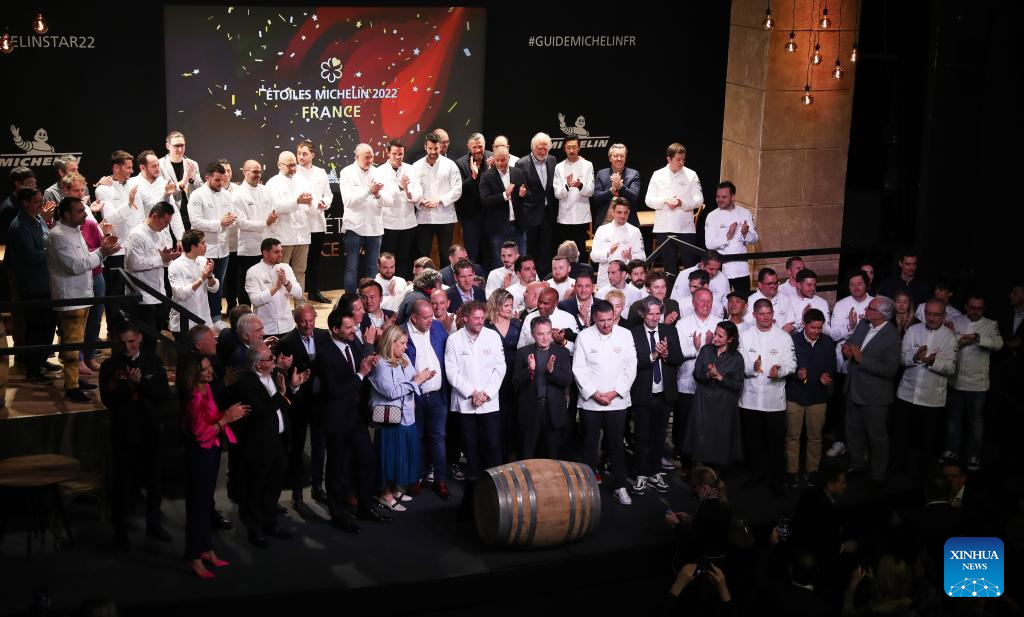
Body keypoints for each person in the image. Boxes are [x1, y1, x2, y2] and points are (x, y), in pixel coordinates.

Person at [317, 309, 392, 530]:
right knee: (336, 469)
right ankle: (338, 515)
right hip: (336, 420)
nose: (353, 331)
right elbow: (334, 391)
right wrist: (361, 374)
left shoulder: (353, 345)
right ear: (335, 329)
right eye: (348, 328)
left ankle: (365, 507)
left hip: (356, 417)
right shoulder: (325, 355)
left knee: (367, 460)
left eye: (354, 326)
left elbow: (361, 370)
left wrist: (369, 362)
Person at [99, 322, 172, 549]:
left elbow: (163, 394)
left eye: (131, 341)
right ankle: (120, 531)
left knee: (154, 480)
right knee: (122, 482)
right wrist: (128, 386)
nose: (128, 346)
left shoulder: (153, 362)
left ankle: (154, 524)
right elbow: (108, 400)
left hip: (151, 430)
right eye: (123, 343)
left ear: (139, 338)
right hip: (124, 432)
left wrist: (140, 384)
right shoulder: (110, 366)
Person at [231, 343, 308, 546]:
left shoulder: (274, 376)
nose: (274, 360)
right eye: (270, 358)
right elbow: (261, 412)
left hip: (279, 442)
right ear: (258, 364)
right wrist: (281, 394)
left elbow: (283, 403)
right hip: (259, 445)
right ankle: (254, 528)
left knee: (274, 486)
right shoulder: (246, 384)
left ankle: (270, 523)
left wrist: (293, 388)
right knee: (256, 487)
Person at [179, 354, 248, 578]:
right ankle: (193, 556)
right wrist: (225, 419)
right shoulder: (193, 398)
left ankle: (206, 548)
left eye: (210, 368)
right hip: (199, 455)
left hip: (211, 450)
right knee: (197, 505)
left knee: (206, 502)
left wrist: (227, 414)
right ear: (193, 374)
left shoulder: (206, 389)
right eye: (205, 369)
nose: (211, 372)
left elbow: (210, 419)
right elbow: (200, 434)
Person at [48, 196, 120, 401]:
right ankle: (71, 387)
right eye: (79, 210)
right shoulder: (58, 235)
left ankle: (75, 379)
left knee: (77, 341)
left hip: (81, 294)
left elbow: (85, 259)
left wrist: (101, 252)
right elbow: (76, 266)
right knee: (72, 343)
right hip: (70, 298)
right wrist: (101, 252)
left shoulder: (74, 230)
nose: (84, 214)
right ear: (66, 214)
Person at [573, 300, 638, 505]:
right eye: (601, 321)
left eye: (610, 320)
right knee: (589, 444)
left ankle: (620, 486)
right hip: (591, 402)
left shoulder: (625, 335)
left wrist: (614, 392)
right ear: (594, 318)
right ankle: (587, 487)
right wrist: (593, 393)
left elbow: (631, 367)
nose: (606, 324)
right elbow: (578, 369)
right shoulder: (584, 336)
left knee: (616, 444)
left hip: (617, 401)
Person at [370, 325, 433, 511]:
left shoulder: (404, 359)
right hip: (390, 419)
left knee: (401, 456)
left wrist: (423, 377)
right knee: (388, 458)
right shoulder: (380, 364)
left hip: (407, 416)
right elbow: (391, 392)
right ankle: (384, 494)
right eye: (403, 343)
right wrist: (417, 381)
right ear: (392, 342)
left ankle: (394, 489)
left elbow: (413, 380)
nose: (406, 347)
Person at [739, 298, 797, 495]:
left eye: (769, 313)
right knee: (752, 443)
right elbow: (739, 364)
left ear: (773, 314)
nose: (766, 317)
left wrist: (779, 371)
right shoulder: (744, 336)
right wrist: (752, 368)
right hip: (749, 400)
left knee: (775, 444)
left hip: (774, 401)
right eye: (762, 314)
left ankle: (777, 481)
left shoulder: (784, 337)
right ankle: (756, 476)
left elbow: (791, 364)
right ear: (754, 315)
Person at [277, 303, 331, 509]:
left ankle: (317, 486)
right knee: (297, 449)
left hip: (320, 402)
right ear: (296, 321)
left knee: (320, 446)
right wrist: (294, 385)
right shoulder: (286, 342)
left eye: (311, 321)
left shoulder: (324, 336)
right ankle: (297, 492)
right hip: (298, 404)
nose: (308, 325)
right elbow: (281, 376)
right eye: (303, 321)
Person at [843, 296, 901, 488]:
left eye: (870, 308)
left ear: (882, 315)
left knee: (877, 438)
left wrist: (862, 359)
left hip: (875, 397)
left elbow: (890, 370)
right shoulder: (863, 324)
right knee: (853, 432)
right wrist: (846, 349)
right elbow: (851, 342)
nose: (866, 310)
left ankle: (877, 475)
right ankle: (857, 464)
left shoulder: (892, 337)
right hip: (854, 389)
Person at [895, 299, 958, 476]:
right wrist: (915, 357)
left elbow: (952, 368)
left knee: (928, 442)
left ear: (944, 316)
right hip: (906, 394)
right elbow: (901, 358)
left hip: (932, 399)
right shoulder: (913, 330)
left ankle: (924, 477)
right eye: (928, 314)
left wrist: (933, 362)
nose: (931, 318)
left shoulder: (950, 337)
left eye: (936, 315)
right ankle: (899, 471)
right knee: (901, 437)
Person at [445, 301, 506, 480]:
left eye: (482, 318)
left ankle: (495, 484)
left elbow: (500, 368)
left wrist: (486, 393)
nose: (480, 322)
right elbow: (452, 372)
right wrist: (472, 392)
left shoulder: (493, 336)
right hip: (465, 403)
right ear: (465, 318)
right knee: (470, 446)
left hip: (489, 402)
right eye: (476, 318)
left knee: (492, 444)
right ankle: (474, 484)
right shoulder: (453, 340)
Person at [630, 297, 685, 495]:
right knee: (642, 435)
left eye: (657, 313)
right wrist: (654, 355)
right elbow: (632, 363)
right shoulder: (633, 333)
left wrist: (667, 354)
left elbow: (679, 359)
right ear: (642, 314)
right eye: (650, 314)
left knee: (659, 435)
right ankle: (641, 473)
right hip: (642, 393)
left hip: (664, 393)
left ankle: (655, 471)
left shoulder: (670, 331)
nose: (654, 318)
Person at [946, 294, 1003, 470]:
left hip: (978, 384)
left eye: (979, 308)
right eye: (972, 308)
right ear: (965, 307)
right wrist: (960, 341)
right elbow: (946, 343)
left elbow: (998, 344)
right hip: (955, 381)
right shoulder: (956, 321)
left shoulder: (991, 324)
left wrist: (977, 338)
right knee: (953, 420)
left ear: (983, 309)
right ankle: (952, 451)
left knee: (976, 423)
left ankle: (973, 455)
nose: (975, 311)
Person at [6, 188, 55, 384]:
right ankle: (33, 369)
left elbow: (46, 239)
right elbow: (31, 256)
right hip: (33, 285)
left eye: (40, 200)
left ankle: (41, 360)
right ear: (25, 202)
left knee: (48, 326)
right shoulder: (19, 226)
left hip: (46, 281)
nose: (41, 204)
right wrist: (52, 251)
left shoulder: (38, 218)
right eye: (36, 201)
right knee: (36, 328)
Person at [404, 299, 451, 499]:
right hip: (414, 398)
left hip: (438, 396)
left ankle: (441, 480)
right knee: (416, 438)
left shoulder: (437, 327)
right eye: (425, 318)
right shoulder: (401, 333)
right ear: (413, 317)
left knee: (438, 438)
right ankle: (416, 478)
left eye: (431, 316)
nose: (430, 320)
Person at [785, 309, 837, 488]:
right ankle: (792, 471)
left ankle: (812, 470)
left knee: (815, 437)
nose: (817, 331)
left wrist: (827, 376)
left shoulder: (827, 342)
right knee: (792, 436)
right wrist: (796, 374)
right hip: (795, 396)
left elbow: (832, 367)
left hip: (818, 397)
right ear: (804, 325)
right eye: (813, 327)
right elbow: (786, 365)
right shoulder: (793, 341)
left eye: (819, 328)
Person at [825, 270, 874, 458]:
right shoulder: (841, 304)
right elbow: (833, 334)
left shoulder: (875, 303)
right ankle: (840, 441)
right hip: (843, 364)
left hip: (866, 363)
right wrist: (851, 327)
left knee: (864, 406)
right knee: (841, 405)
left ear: (867, 284)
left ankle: (862, 446)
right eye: (852, 284)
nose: (856, 287)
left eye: (860, 283)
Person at [685, 321, 745, 469]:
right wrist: (707, 374)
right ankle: (698, 475)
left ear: (730, 339)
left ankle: (715, 476)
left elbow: (737, 385)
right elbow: (696, 374)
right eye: (715, 333)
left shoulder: (737, 358)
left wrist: (719, 376)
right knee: (700, 437)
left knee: (719, 440)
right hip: (703, 402)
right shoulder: (706, 350)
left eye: (720, 336)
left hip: (723, 404)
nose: (715, 338)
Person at [512, 316, 572, 459]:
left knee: (553, 455)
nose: (545, 338)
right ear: (533, 334)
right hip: (530, 411)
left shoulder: (562, 352)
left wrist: (551, 371)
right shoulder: (523, 353)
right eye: (540, 334)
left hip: (554, 412)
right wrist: (529, 370)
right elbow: (515, 383)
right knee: (527, 454)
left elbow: (566, 380)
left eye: (548, 333)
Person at [125, 202, 179, 353]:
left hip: (159, 292)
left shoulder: (160, 233)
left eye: (168, 222)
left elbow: (162, 260)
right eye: (165, 221)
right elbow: (133, 263)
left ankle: (151, 363)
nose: (166, 226)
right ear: (154, 216)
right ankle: (142, 364)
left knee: (155, 333)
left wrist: (167, 257)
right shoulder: (137, 234)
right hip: (143, 295)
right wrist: (161, 259)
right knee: (145, 337)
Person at [95, 150, 139, 333]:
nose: (131, 171)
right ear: (116, 167)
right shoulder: (103, 189)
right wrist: (128, 204)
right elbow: (110, 218)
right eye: (128, 167)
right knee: (115, 293)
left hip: (134, 247)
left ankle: (131, 330)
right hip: (116, 249)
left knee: (133, 292)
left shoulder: (134, 184)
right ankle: (114, 332)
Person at [233, 160, 288, 307]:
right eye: (255, 172)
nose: (258, 175)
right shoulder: (237, 195)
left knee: (266, 282)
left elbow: (273, 213)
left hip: (266, 247)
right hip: (249, 248)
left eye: (260, 172)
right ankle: (244, 314)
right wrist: (265, 223)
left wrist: (270, 222)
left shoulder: (266, 191)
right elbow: (242, 223)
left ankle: (266, 312)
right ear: (245, 172)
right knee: (246, 285)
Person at [186, 162, 235, 324]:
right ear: (207, 178)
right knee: (203, 285)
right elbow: (195, 221)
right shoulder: (197, 195)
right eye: (217, 180)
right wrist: (219, 223)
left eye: (223, 180)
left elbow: (231, 218)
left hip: (223, 248)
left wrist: (230, 221)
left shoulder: (227, 195)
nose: (221, 183)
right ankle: (202, 319)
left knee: (218, 285)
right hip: (204, 250)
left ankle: (216, 317)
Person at [675, 288, 719, 466]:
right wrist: (697, 348)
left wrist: (709, 347)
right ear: (693, 303)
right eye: (701, 300)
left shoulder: (719, 323)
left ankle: (706, 463)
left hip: (711, 385)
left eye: (709, 301)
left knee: (707, 424)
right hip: (686, 383)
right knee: (684, 423)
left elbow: (725, 353)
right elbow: (678, 352)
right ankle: (685, 463)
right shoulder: (682, 324)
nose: (705, 304)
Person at [645, 143, 704, 274]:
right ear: (669, 159)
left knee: (690, 267)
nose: (681, 162)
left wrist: (681, 203)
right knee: (669, 268)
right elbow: (648, 200)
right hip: (664, 228)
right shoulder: (657, 174)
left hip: (685, 228)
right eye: (678, 159)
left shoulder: (691, 174)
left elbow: (699, 199)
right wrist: (665, 201)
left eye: (683, 159)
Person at [339, 143, 387, 294]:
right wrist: (368, 191)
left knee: (373, 267)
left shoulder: (379, 173)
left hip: (374, 227)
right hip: (354, 227)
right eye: (367, 157)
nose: (370, 160)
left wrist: (378, 195)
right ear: (356, 157)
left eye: (372, 157)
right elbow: (348, 201)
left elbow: (389, 200)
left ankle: (371, 298)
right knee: (351, 267)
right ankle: (350, 300)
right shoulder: (347, 172)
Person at [265, 151, 314, 290]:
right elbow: (274, 207)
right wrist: (296, 201)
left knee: (300, 271)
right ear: (280, 165)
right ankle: (282, 303)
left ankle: (300, 302)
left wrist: (311, 202)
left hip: (302, 235)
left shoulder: (302, 181)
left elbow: (311, 203)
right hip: (283, 236)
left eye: (294, 165)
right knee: (281, 272)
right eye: (289, 165)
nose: (293, 168)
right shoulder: (273, 183)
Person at [485, 289, 523, 461]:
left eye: (511, 305)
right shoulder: (487, 326)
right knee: (497, 416)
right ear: (496, 305)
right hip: (494, 375)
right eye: (506, 305)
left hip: (514, 374)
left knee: (513, 415)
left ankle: (511, 454)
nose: (510, 309)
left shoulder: (517, 324)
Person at [413, 132, 462, 263]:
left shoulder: (450, 165)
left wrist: (439, 200)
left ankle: (446, 277)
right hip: (423, 217)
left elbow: (457, 189)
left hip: (445, 217)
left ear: (441, 147)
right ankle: (422, 277)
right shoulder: (416, 166)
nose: (433, 152)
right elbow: (413, 189)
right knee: (422, 255)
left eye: (436, 148)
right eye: (430, 148)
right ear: (425, 147)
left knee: (446, 255)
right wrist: (421, 201)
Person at [376, 140, 421, 283]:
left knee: (405, 258)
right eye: (394, 153)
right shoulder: (379, 171)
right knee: (388, 260)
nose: (397, 157)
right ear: (388, 153)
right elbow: (384, 198)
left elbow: (418, 193)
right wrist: (400, 188)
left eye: (400, 154)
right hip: (388, 223)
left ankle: (402, 286)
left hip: (409, 223)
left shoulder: (411, 169)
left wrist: (408, 192)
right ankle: (386, 287)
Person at [295, 140, 334, 304]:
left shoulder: (320, 172)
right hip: (300, 223)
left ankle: (314, 291)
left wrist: (325, 202)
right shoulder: (294, 173)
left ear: (313, 155)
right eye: (299, 153)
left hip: (318, 223)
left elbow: (328, 194)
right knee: (299, 264)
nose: (301, 157)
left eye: (304, 154)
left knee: (315, 261)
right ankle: (298, 295)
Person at [515, 132, 558, 275]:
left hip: (548, 212)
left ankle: (545, 278)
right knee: (531, 249)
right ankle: (530, 277)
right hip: (530, 214)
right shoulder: (521, 164)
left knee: (547, 249)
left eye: (546, 148)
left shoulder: (552, 160)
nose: (543, 151)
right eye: (540, 148)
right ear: (533, 147)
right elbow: (520, 190)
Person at [704, 181, 758, 295]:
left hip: (741, 269)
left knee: (743, 300)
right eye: (718, 196)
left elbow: (754, 239)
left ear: (733, 197)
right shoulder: (712, 216)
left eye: (724, 197)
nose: (719, 199)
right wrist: (727, 236)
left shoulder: (745, 213)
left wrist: (746, 234)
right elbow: (709, 244)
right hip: (720, 269)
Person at [244, 237, 302, 336]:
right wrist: (275, 289)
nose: (280, 255)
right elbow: (255, 300)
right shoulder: (253, 272)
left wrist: (286, 283)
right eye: (276, 252)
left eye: (281, 251)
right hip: (265, 329)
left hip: (288, 327)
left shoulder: (286, 268)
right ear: (265, 253)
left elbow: (299, 294)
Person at [478, 149, 527, 266]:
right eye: (497, 160)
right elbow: (485, 200)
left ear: (509, 158)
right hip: (498, 228)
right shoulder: (486, 176)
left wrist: (523, 195)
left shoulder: (518, 172)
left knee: (522, 260)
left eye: (503, 160)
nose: (500, 163)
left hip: (518, 225)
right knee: (499, 262)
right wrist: (505, 194)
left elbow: (526, 193)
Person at [168, 229, 219, 340]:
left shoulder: (203, 260)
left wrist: (210, 275)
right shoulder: (175, 266)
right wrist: (201, 279)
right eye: (203, 243)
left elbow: (214, 288)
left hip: (204, 320)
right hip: (184, 323)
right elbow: (181, 294)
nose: (206, 245)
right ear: (193, 247)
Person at [552, 136, 595, 262]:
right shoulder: (559, 167)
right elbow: (557, 194)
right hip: (564, 218)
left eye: (574, 147)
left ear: (579, 148)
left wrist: (580, 185)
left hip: (581, 217)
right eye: (568, 147)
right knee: (564, 252)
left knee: (580, 250)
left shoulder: (588, 165)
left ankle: (582, 273)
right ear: (564, 149)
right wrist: (567, 186)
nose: (571, 150)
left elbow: (591, 191)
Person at [453, 133, 492, 266]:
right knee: (472, 254)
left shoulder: (493, 159)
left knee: (490, 253)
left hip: (490, 216)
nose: (478, 150)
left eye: (480, 146)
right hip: (470, 217)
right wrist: (473, 177)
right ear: (468, 147)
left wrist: (492, 172)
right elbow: (459, 191)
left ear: (485, 145)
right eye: (474, 147)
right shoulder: (460, 163)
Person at [590, 197, 645, 288]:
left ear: (629, 213)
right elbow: (593, 257)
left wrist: (630, 256)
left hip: (627, 282)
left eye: (625, 213)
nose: (623, 216)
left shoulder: (635, 231)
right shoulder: (602, 230)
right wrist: (608, 252)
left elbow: (642, 258)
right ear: (613, 212)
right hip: (605, 281)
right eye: (619, 212)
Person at [592, 143, 642, 228]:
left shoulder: (634, 174)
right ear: (610, 158)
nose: (619, 159)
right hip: (605, 223)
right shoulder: (601, 174)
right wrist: (611, 190)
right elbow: (596, 198)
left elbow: (634, 198)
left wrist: (621, 186)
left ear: (625, 158)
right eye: (616, 156)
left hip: (627, 223)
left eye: (622, 156)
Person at [159, 131, 200, 230]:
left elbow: (200, 189)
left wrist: (192, 179)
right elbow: (163, 192)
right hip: (171, 214)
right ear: (168, 146)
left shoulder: (192, 164)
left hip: (191, 212)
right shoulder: (160, 165)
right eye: (176, 146)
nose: (180, 149)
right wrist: (182, 182)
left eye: (182, 145)